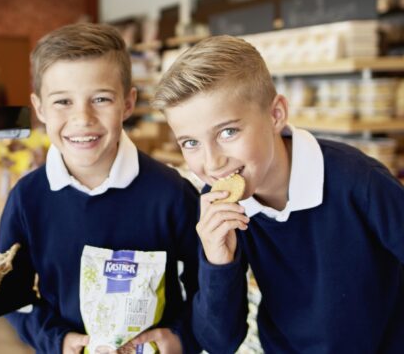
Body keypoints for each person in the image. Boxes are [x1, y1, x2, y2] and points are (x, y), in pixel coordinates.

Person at [152, 35, 404, 353]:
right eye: (191, 143)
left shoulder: (359, 181)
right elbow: (219, 341)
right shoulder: (218, 205)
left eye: (228, 132)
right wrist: (218, 261)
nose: (212, 163)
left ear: (276, 115)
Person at [0, 23, 200, 354]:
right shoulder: (27, 199)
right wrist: (56, 340)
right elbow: (10, 295)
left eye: (101, 99)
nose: (83, 118)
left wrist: (181, 337)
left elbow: (207, 287)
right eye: (63, 101)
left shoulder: (172, 193)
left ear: (128, 103)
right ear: (39, 108)